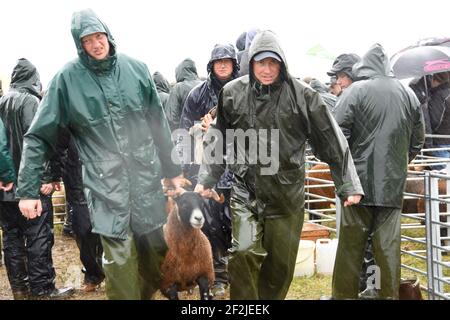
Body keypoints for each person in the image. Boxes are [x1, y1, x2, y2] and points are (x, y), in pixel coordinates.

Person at [16, 9, 183, 300]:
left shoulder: (136, 69)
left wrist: (172, 171)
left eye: (98, 36)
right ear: (79, 45)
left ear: (108, 35)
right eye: (87, 40)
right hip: (106, 185)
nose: (95, 44)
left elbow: (159, 124)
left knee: (156, 252)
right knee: (119, 258)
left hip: (144, 179)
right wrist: (28, 189)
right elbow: (39, 135)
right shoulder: (66, 80)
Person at [195, 30, 363, 300]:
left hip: (286, 193)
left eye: (273, 63)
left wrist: (348, 182)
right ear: (251, 63)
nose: (267, 69)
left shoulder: (303, 96)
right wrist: (207, 177)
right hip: (245, 190)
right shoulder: (232, 93)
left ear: (282, 64)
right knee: (243, 251)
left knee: (280, 266)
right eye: (261, 62)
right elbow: (218, 137)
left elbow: (331, 139)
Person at [332, 43, 425, 299]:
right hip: (392, 186)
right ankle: (388, 296)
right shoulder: (408, 94)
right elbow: (418, 140)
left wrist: (346, 169)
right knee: (387, 248)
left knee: (351, 248)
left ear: (364, 67)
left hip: (356, 185)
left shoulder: (355, 91)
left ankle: (343, 297)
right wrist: (397, 163)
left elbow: (336, 135)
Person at [0, 58, 74, 299]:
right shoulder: (32, 102)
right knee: (39, 236)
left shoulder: (1, 102)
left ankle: (20, 289)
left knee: (11, 237)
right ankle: (43, 288)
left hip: (5, 187)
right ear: (34, 79)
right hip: (31, 187)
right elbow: (40, 142)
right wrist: (48, 178)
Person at [179, 43, 240, 296]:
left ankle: (236, 272)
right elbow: (183, 131)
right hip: (205, 170)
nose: (223, 64)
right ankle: (216, 275)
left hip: (238, 169)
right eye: (218, 61)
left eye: (227, 60)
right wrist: (184, 169)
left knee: (235, 223)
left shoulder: (244, 90)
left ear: (235, 64)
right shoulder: (196, 95)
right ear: (211, 65)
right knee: (209, 225)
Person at [54, 132, 105, 292]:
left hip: (104, 180)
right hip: (76, 180)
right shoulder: (66, 117)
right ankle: (93, 272)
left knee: (107, 229)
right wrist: (56, 174)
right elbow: (58, 148)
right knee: (82, 229)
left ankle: (106, 271)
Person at [166, 58, 201, 131]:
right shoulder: (205, 85)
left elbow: (172, 117)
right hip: (207, 133)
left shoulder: (178, 88)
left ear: (179, 72)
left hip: (185, 133)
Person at [427, 72, 450, 170]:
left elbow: (435, 121)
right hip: (447, 138)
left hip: (440, 141)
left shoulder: (439, 95)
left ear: (435, 80)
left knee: (440, 177)